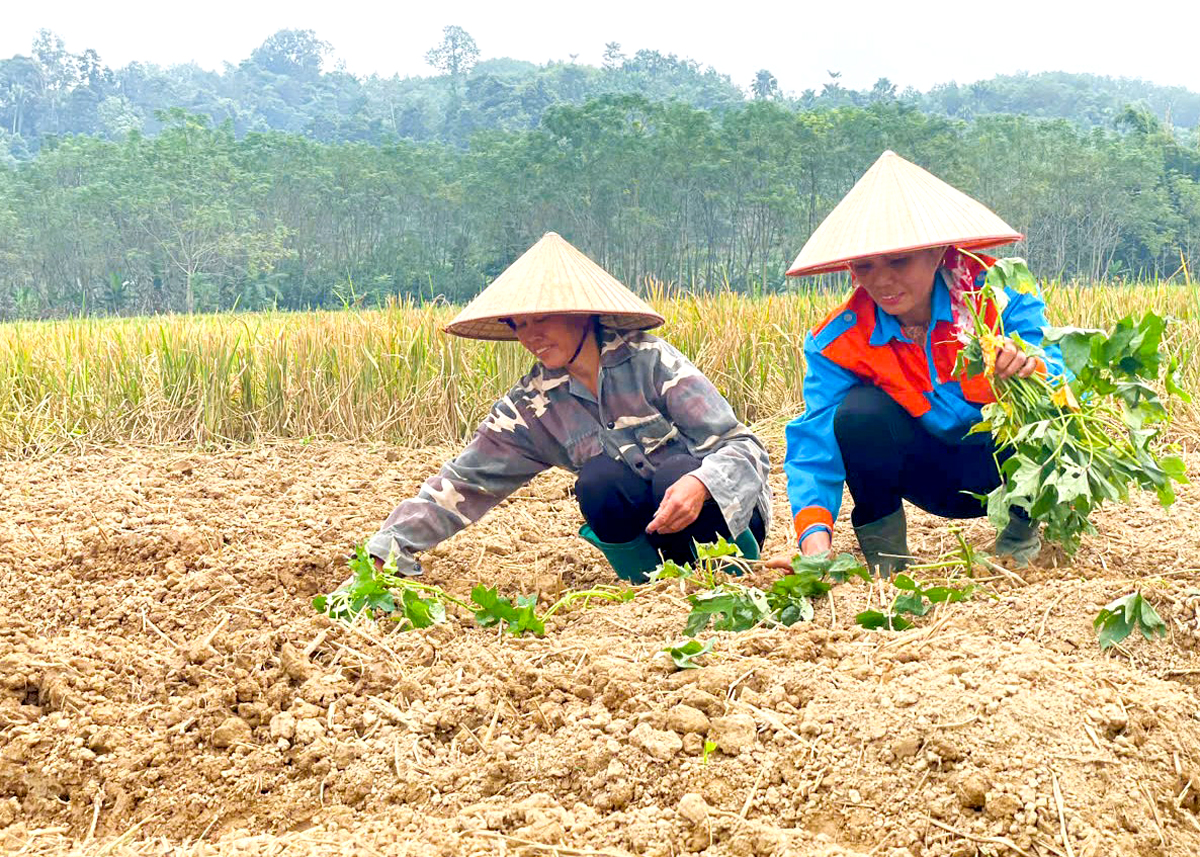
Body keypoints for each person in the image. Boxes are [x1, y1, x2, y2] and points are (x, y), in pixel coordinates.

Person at [365, 232, 771, 584]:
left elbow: (744, 447)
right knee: (598, 481)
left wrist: (700, 485)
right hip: (651, 538)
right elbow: (465, 481)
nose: (530, 336)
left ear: (580, 313)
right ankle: (649, 581)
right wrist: (391, 547)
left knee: (675, 473)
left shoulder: (650, 361)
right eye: (518, 324)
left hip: (727, 524)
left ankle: (727, 574)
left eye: (542, 318)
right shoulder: (532, 406)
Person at [768, 151, 1064, 575]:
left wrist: (1029, 367)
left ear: (938, 252)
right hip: (928, 476)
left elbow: (1059, 375)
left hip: (1003, 472)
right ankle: (887, 556)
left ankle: (1019, 531)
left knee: (1031, 397)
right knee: (857, 413)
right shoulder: (838, 341)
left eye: (899, 261)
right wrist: (814, 544)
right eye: (865, 265)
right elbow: (814, 443)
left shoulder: (999, 295)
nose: (882, 281)